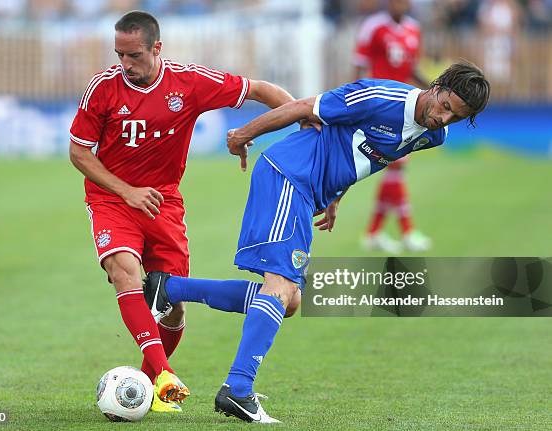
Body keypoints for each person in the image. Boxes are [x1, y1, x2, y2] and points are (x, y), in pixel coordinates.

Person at [144, 61, 490, 422]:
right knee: (279, 287)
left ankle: (170, 288)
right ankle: (238, 389)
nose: (442, 119)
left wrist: (336, 193)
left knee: (290, 301)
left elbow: (368, 153)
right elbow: (303, 108)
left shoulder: (432, 136)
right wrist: (243, 134)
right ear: (436, 87)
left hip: (311, 191)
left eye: (455, 118)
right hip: (289, 174)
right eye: (445, 107)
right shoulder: (380, 96)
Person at [69, 10, 297, 413]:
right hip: (112, 198)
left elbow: (260, 89)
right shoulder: (103, 88)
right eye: (119, 54)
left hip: (163, 202)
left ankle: (147, 386)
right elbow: (79, 152)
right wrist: (127, 191)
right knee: (125, 270)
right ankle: (162, 373)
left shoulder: (189, 82)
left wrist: (305, 131)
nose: (125, 64)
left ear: (157, 49)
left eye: (134, 55)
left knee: (173, 307)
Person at [354, 0, 433, 252]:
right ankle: (407, 231)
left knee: (393, 170)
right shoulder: (373, 27)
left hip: (407, 108)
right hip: (381, 107)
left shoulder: (414, 29)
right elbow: (359, 66)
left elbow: (411, 67)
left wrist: (433, 89)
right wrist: (358, 103)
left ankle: (373, 232)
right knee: (395, 168)